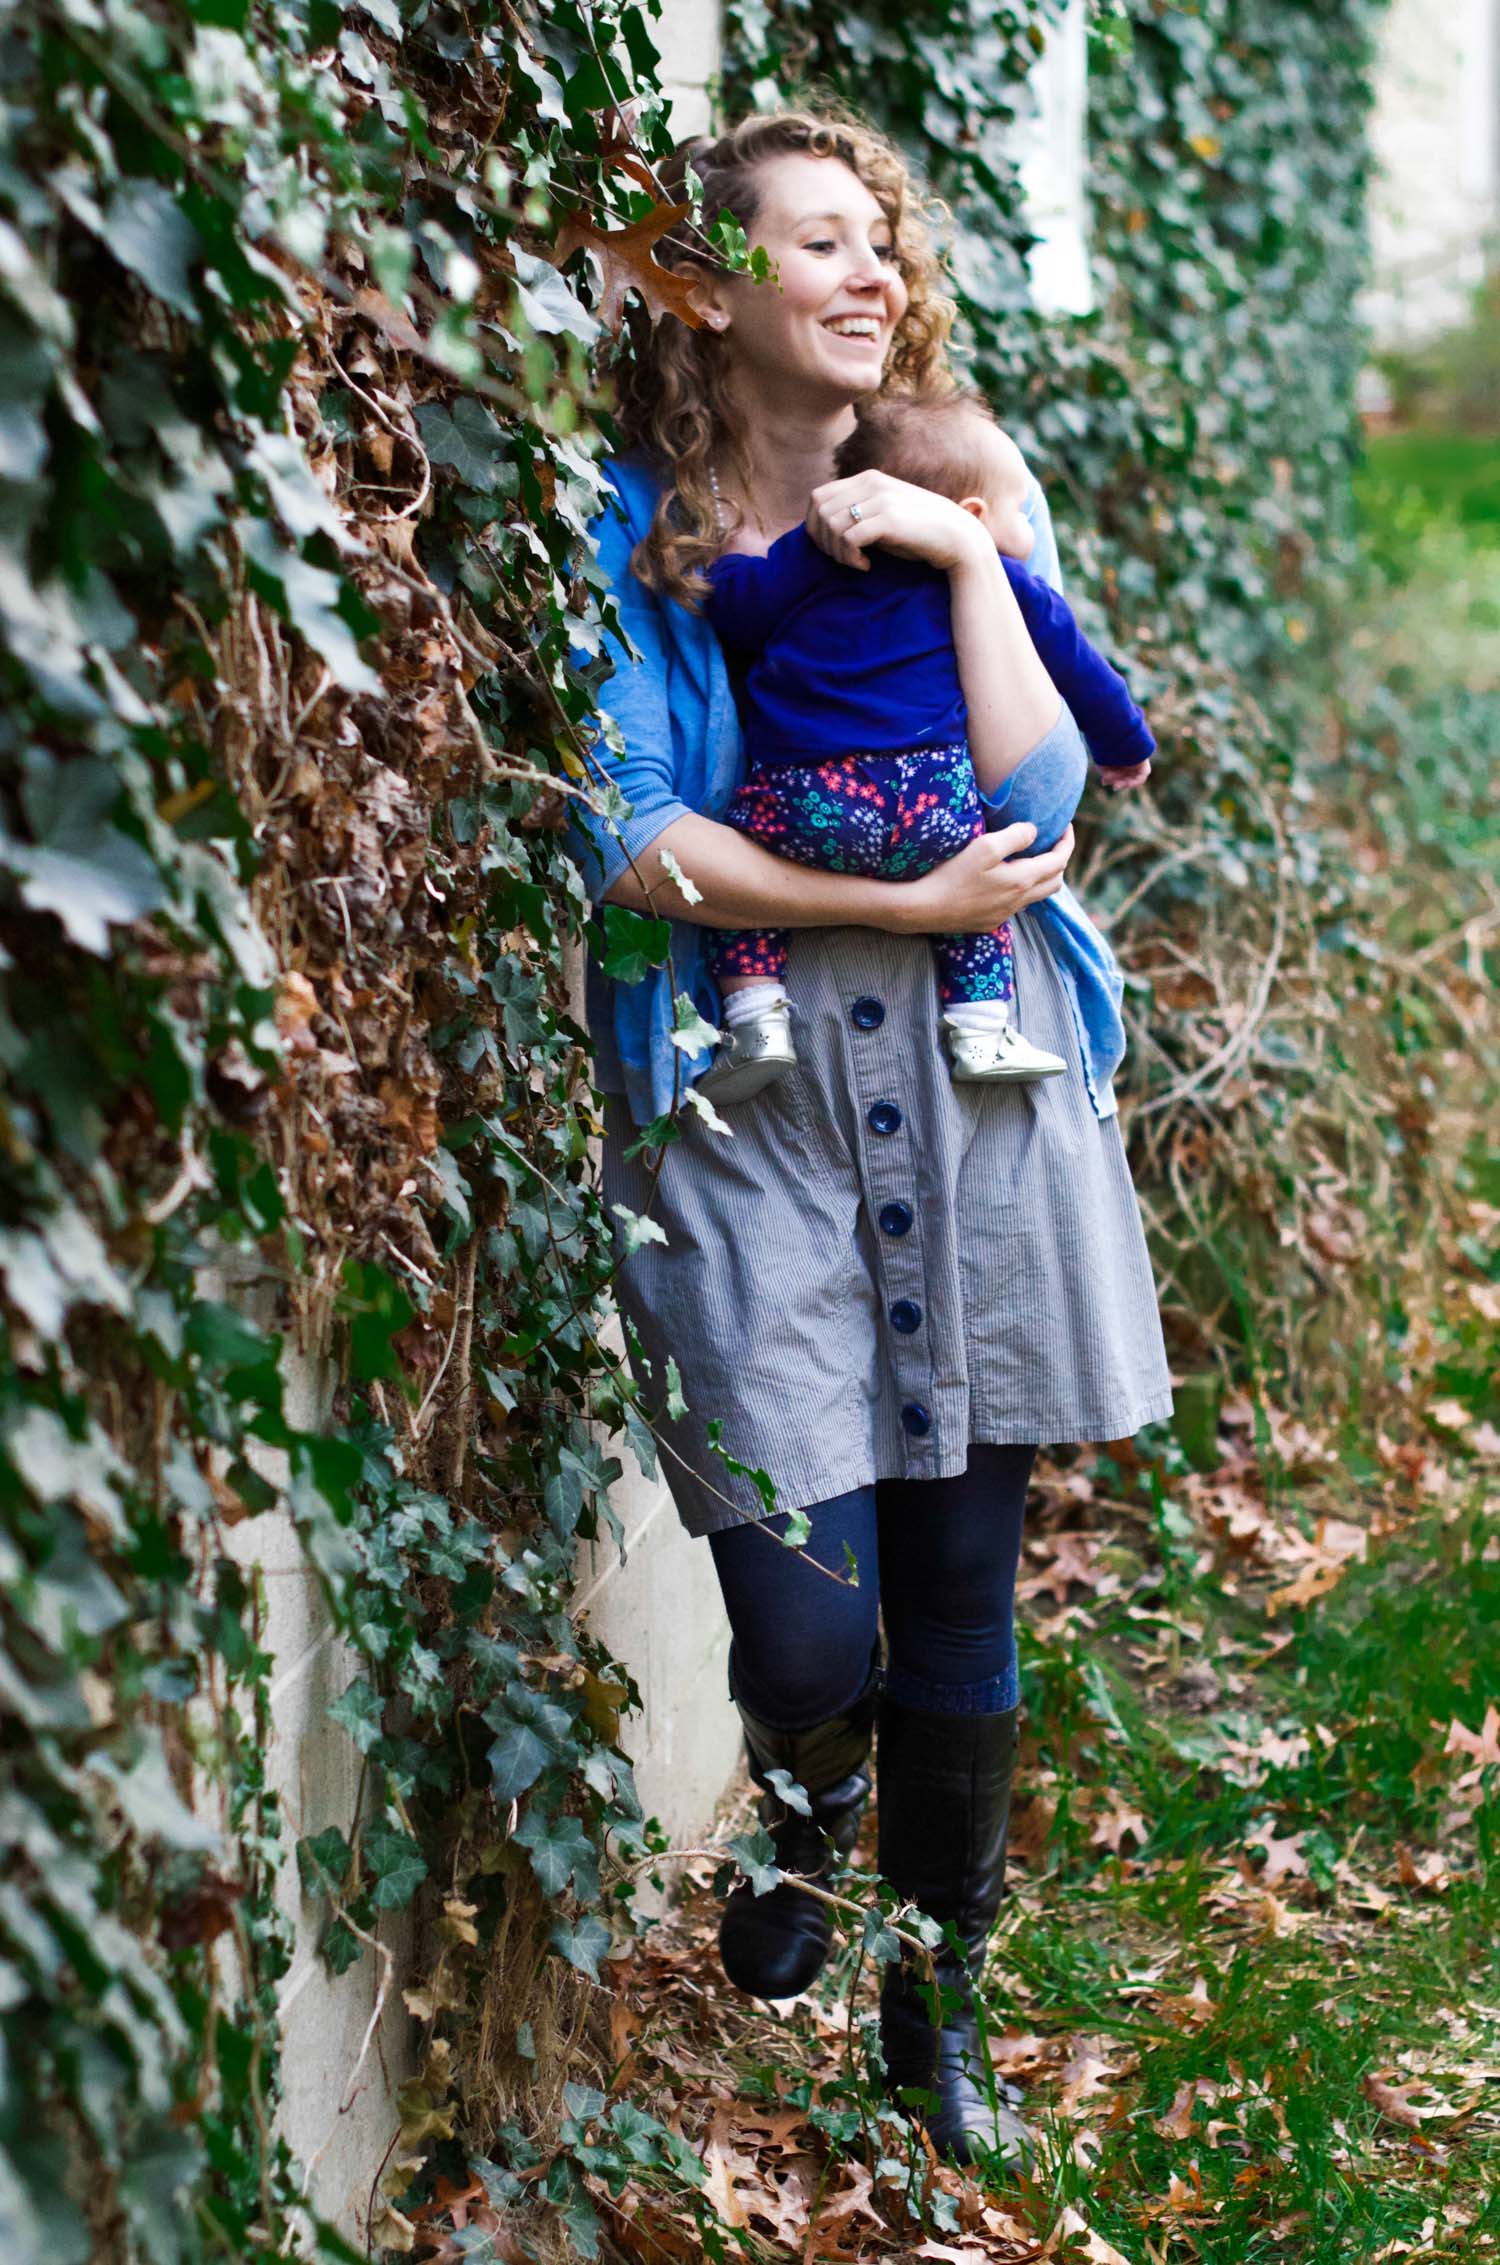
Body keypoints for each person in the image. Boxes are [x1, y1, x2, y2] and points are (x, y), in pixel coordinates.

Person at [567, 109, 1172, 2170]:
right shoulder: (628, 534)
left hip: (982, 1081)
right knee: (815, 1617)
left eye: (879, 246)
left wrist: (973, 557)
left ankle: (941, 2015)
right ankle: (812, 1780)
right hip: (747, 1105)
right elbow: (627, 829)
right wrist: (881, 905)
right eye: (816, 243)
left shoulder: (946, 480)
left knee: (964, 1583)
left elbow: (1048, 783)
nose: (867, 276)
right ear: (711, 290)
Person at [700, 386, 1157, 1099]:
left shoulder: (813, 560)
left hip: (811, 798)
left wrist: (731, 558)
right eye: (1017, 508)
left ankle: (755, 1019)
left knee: (746, 856)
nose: (1026, 528)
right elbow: (1081, 669)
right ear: (971, 517)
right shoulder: (1005, 582)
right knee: (979, 888)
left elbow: (738, 608)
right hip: (931, 799)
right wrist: (1125, 745)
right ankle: (981, 1029)